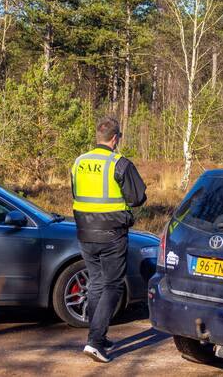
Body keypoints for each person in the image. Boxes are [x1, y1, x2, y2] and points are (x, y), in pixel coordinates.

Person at [71, 117, 147, 363]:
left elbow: (76, 193)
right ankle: (95, 342)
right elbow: (137, 197)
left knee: (96, 283)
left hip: (84, 233)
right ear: (115, 138)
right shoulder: (119, 163)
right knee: (113, 285)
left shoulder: (79, 162)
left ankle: (97, 337)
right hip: (112, 234)